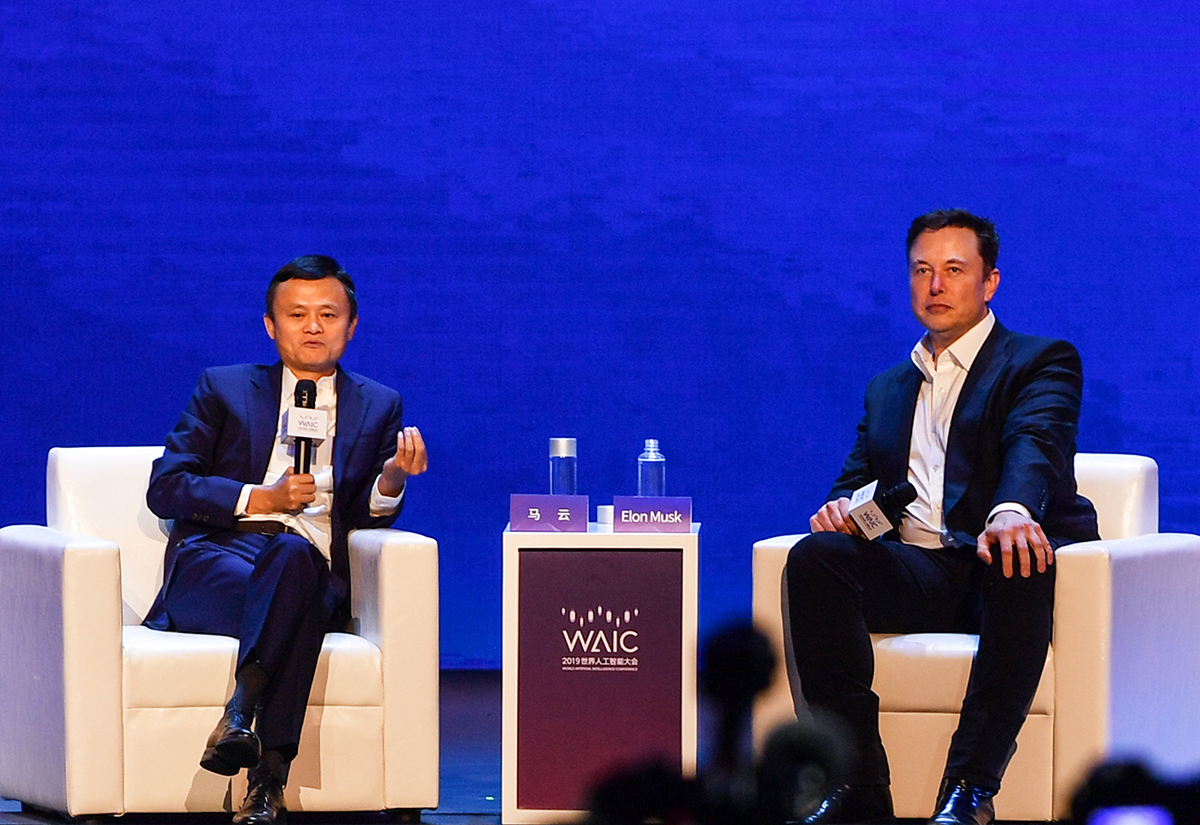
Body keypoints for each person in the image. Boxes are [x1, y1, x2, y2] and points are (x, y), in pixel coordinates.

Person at [786, 210, 1099, 825]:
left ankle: (970, 790)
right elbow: (857, 484)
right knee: (815, 559)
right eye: (922, 270)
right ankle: (856, 787)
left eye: (954, 270)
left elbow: (1036, 441)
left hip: (997, 569)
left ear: (989, 283)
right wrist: (841, 512)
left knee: (1018, 558)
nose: (935, 286)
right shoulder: (888, 387)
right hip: (922, 571)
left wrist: (1011, 511)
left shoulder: (1039, 362)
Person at [143, 255, 428, 825]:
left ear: (352, 324)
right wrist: (261, 498)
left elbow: (368, 522)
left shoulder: (378, 403)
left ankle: (242, 718)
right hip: (220, 564)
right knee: (295, 596)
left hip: (310, 569)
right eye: (297, 314)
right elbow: (167, 487)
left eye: (328, 314)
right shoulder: (223, 388)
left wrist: (391, 481)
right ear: (271, 326)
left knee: (298, 561)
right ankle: (268, 780)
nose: (313, 326)